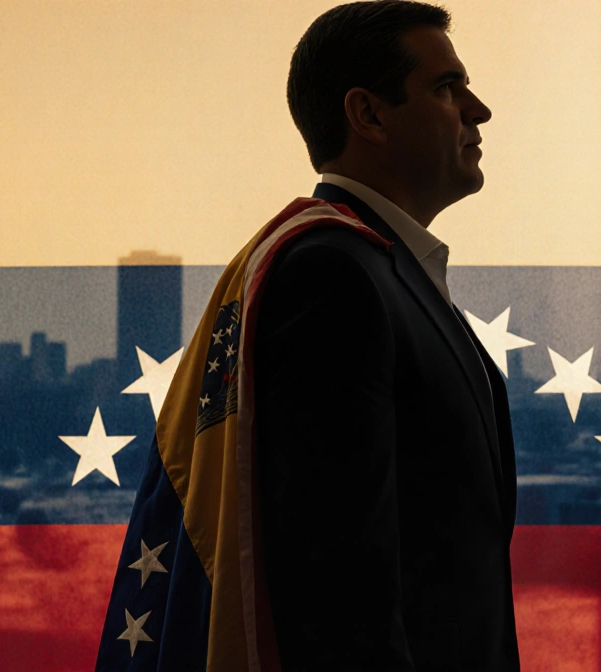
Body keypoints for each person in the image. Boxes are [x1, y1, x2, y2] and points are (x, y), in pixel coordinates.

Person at [254, 1, 519, 669]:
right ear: (368, 114)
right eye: (446, 87)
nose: (477, 109)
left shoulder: (383, 270)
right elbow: (337, 583)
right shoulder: (334, 277)